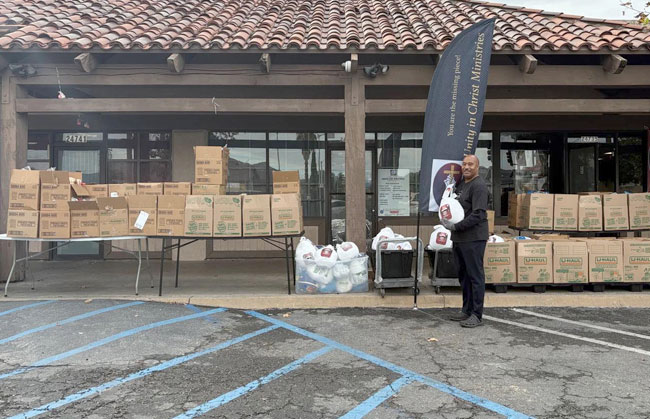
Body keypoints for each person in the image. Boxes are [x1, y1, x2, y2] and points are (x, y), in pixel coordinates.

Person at [441, 154, 489, 328]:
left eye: (471, 164)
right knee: (464, 276)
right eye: (464, 164)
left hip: (474, 238)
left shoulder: (479, 186)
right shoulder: (462, 184)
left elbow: (479, 214)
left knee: (475, 276)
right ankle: (466, 310)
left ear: (477, 167)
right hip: (460, 238)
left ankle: (476, 314)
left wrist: (457, 226)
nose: (467, 167)